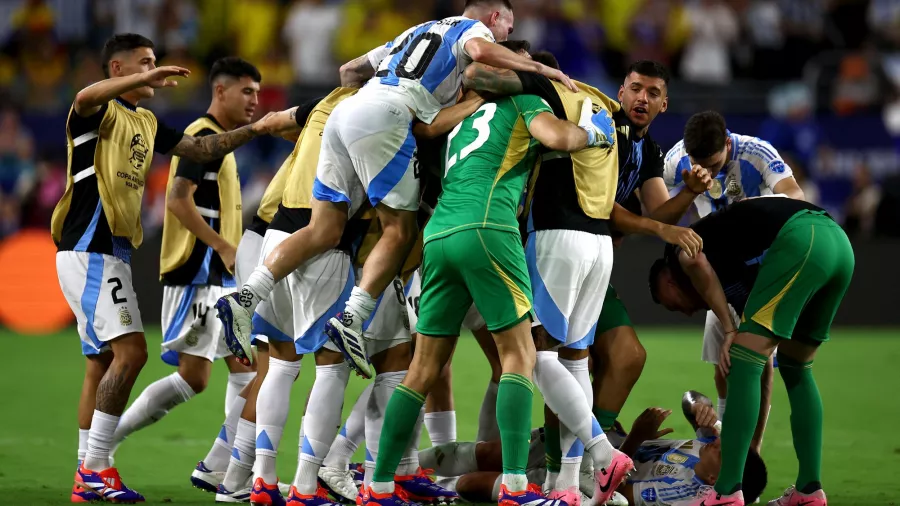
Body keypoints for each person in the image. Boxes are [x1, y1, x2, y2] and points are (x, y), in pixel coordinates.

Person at [219, 0, 580, 381]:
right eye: (507, 27)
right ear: (494, 17)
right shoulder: (473, 31)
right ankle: (352, 319)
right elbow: (478, 51)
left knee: (324, 229)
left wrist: (369, 111)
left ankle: (246, 298)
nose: (506, 38)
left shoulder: (413, 32)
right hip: (388, 116)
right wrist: (539, 69)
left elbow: (349, 70)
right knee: (400, 230)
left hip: (350, 112)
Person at [460, 52, 705, 505]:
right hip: (594, 247)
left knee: (538, 355)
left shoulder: (561, 105)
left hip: (557, 237)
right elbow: (624, 207)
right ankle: (568, 482)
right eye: (635, 88)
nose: (642, 98)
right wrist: (667, 220)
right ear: (620, 90)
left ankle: (598, 454)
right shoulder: (606, 117)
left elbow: (480, 73)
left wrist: (684, 197)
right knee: (574, 360)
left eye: (652, 93)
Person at [362, 74, 618, 506]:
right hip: (489, 229)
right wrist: (592, 133)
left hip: (439, 235)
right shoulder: (523, 102)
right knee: (519, 356)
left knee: (422, 368)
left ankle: (379, 484)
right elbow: (557, 136)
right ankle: (516, 487)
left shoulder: (462, 119)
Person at [52, 33, 274, 503]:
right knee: (132, 353)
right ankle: (95, 469)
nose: (156, 69)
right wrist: (143, 78)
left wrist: (256, 131)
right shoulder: (96, 113)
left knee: (102, 363)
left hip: (111, 251)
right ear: (117, 69)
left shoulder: (147, 122)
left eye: (156, 62)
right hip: (87, 246)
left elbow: (200, 151)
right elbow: (82, 97)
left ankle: (86, 470)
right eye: (145, 63)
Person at [102, 56, 262, 492]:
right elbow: (177, 200)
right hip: (198, 274)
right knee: (203, 377)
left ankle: (224, 468)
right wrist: (222, 246)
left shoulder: (219, 142)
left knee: (248, 372)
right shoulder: (201, 137)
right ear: (220, 91)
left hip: (217, 279)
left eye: (258, 93)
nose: (255, 100)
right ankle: (99, 452)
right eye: (246, 91)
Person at [649, 196, 854, 506]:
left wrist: (731, 331)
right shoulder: (742, 282)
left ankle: (727, 491)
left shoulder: (677, 253)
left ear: (667, 280)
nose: (685, 311)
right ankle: (809, 492)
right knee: (797, 367)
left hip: (802, 239)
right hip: (837, 244)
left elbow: (693, 261)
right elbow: (764, 364)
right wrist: (753, 447)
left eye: (671, 304)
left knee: (743, 362)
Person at [663, 110, 806, 446]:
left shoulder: (757, 153)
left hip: (762, 270)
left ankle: (750, 455)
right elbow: (660, 212)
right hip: (719, 271)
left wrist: (746, 211)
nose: (706, 173)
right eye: (700, 164)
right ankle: (729, 442)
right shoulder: (676, 160)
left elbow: (796, 196)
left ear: (728, 143)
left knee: (757, 362)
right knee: (723, 363)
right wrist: (687, 192)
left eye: (713, 164)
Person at [414, 391, 767, 506]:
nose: (716, 441)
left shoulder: (683, 494)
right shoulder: (716, 447)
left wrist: (637, 439)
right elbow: (691, 398)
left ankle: (431, 492)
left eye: (721, 450)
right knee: (493, 451)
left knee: (479, 482)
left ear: (716, 479)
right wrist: (701, 408)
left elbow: (616, 486)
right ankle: (397, 469)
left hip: (593, 485)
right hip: (600, 451)